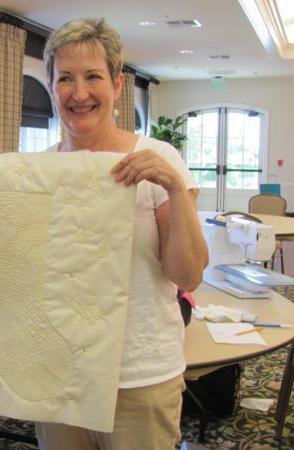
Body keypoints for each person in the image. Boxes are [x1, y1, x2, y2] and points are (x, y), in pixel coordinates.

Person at [33, 18, 209, 450]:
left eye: (93, 76)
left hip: (139, 376)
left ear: (117, 83)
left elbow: (188, 274)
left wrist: (172, 187)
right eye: (66, 79)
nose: (80, 93)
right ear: (51, 86)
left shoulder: (158, 158)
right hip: (61, 375)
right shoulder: (36, 170)